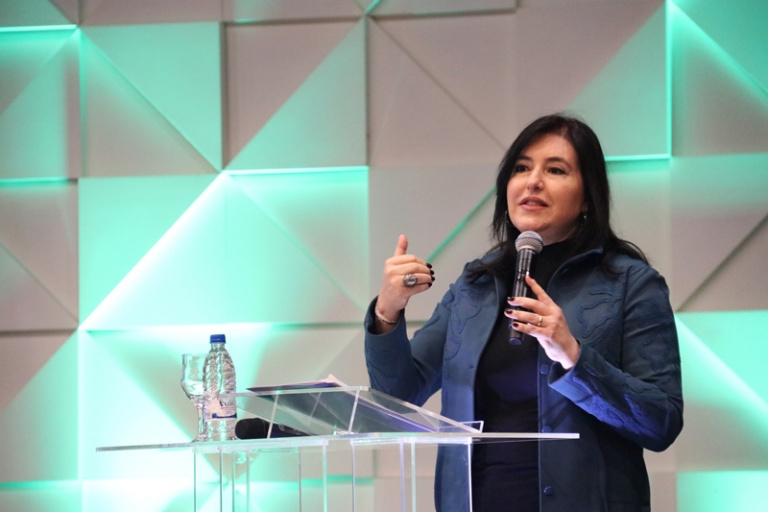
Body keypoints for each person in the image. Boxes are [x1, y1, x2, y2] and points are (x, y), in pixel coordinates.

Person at [363, 113, 683, 512]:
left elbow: (660, 423)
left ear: (587, 197)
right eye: (521, 168)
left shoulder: (630, 283)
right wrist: (388, 309)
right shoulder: (476, 285)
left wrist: (573, 356)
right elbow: (396, 398)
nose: (533, 181)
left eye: (555, 169)